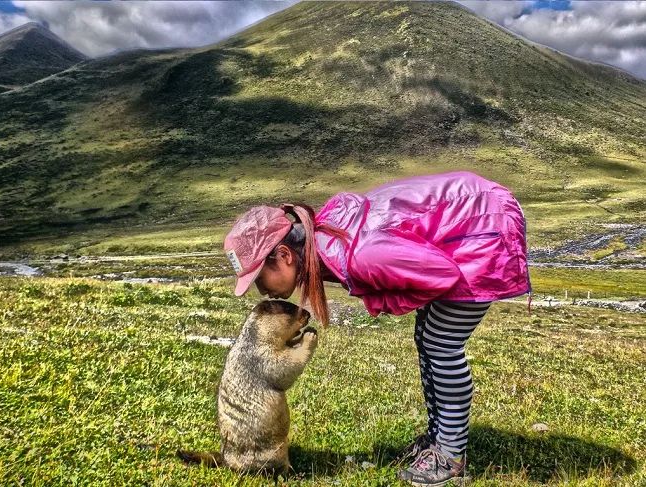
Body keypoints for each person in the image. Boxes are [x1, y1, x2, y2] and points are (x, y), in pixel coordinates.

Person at [223, 171, 530, 486]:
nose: (263, 292)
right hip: (474, 215)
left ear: (285, 255)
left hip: (484, 228)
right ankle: (439, 439)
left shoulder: (362, 255)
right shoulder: (328, 238)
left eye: (260, 279)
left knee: (442, 343)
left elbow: (443, 274)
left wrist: (389, 297)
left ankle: (451, 456)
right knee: (428, 338)